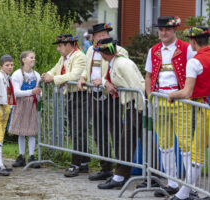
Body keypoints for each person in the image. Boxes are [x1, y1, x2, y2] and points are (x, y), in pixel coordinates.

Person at [144, 16, 196, 197]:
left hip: (180, 99)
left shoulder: (186, 48)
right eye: (160, 29)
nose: (163, 33)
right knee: (164, 144)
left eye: (167, 29)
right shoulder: (153, 50)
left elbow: (196, 71)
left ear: (175, 30)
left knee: (185, 144)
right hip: (159, 100)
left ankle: (190, 187)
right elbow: (149, 75)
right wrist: (150, 96)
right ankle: (172, 183)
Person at [89, 38, 145, 189]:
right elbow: (107, 77)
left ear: (102, 53)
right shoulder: (114, 62)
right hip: (129, 105)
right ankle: (120, 176)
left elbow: (138, 86)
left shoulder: (123, 64)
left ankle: (152, 177)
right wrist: (105, 82)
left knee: (146, 142)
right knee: (126, 141)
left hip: (137, 106)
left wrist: (141, 108)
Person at [78, 22, 129, 181]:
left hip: (111, 97)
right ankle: (105, 168)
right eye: (100, 36)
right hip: (94, 95)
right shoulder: (91, 50)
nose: (103, 37)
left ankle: (121, 172)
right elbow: (88, 69)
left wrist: (105, 80)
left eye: (105, 35)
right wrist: (82, 77)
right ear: (94, 38)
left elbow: (120, 71)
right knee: (99, 134)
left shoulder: (120, 51)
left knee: (116, 135)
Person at [167, 27, 210, 200]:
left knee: (197, 152)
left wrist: (172, 95)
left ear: (193, 41)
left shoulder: (195, 61)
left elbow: (186, 92)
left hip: (205, 109)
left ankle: (184, 193)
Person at [41, 34, 88, 177]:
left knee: (78, 130)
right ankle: (84, 162)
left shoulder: (79, 56)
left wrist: (53, 78)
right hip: (72, 95)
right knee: (75, 130)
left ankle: (76, 164)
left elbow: (75, 75)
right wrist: (47, 75)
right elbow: (56, 69)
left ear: (69, 45)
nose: (58, 49)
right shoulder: (65, 57)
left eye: (60, 45)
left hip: (81, 96)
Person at [9, 51, 41, 169]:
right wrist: (31, 92)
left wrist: (38, 95)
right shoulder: (17, 74)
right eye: (31, 57)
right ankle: (21, 156)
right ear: (24, 60)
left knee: (32, 130)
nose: (33, 60)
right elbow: (16, 91)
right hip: (21, 104)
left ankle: (31, 156)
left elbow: (39, 90)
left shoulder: (36, 75)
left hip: (32, 105)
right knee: (21, 131)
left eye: (34, 58)